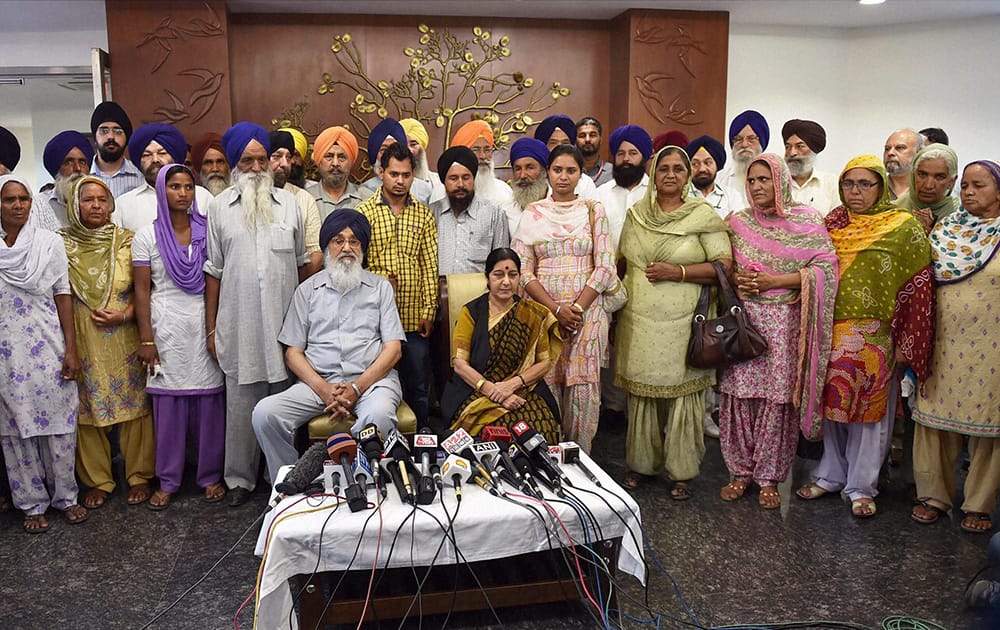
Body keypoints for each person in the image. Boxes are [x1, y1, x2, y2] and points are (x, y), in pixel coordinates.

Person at [797, 154, 934, 518]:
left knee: (870, 415)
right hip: (830, 330)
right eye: (848, 183)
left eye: (864, 184)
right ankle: (829, 475)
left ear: (881, 186)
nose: (855, 191)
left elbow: (918, 288)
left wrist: (906, 341)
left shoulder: (903, 226)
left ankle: (862, 486)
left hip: (877, 335)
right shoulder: (833, 224)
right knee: (832, 407)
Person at [718, 154, 838, 509]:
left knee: (777, 401)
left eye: (764, 180)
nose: (756, 187)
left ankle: (769, 477)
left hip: (786, 324)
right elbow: (723, 266)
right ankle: (739, 472)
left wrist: (777, 280)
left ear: (781, 182)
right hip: (746, 322)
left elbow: (826, 271)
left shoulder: (808, 221)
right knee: (739, 397)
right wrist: (736, 279)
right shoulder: (737, 223)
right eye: (751, 181)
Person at [252, 210, 405, 483]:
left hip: (372, 382)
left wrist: (357, 388)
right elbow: (293, 353)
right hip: (319, 383)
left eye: (354, 241)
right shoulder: (307, 291)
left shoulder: (380, 288)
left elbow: (393, 349)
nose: (346, 247)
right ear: (326, 247)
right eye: (338, 240)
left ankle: (360, 481)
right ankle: (293, 482)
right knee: (266, 413)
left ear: (363, 248)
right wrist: (324, 390)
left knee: (378, 416)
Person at [614, 146, 732, 497]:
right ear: (653, 173)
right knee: (643, 394)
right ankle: (641, 465)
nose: (670, 174)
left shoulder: (702, 214)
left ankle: (682, 471)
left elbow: (724, 268)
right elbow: (620, 265)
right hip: (640, 319)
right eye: (663, 168)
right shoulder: (637, 215)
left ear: (687, 175)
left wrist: (677, 271)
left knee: (684, 398)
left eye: (678, 168)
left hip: (685, 322)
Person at [204, 122, 309, 506]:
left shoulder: (291, 206)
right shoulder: (218, 208)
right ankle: (240, 481)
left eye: (261, 159)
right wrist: (211, 328)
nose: (255, 167)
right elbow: (213, 272)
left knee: (283, 403)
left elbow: (301, 268)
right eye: (247, 160)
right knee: (242, 405)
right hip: (239, 322)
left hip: (284, 326)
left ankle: (280, 476)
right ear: (235, 164)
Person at [910, 160, 1000, 533]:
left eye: (978, 186)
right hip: (944, 339)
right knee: (933, 416)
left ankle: (978, 504)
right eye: (964, 185)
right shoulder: (947, 228)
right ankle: (933, 496)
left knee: (989, 422)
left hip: (992, 346)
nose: (968, 192)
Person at [132, 164, 226, 509]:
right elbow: (142, 291)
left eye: (188, 187)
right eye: (174, 186)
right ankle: (168, 479)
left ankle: (209, 476)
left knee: (208, 402)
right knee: (169, 406)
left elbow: (217, 278)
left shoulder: (209, 230)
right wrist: (146, 339)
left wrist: (215, 328)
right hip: (165, 323)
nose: (182, 193)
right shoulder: (146, 236)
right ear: (161, 190)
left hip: (205, 319)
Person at [512, 144, 616, 452]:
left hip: (588, 313)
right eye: (558, 170)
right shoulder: (534, 213)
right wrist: (556, 309)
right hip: (544, 313)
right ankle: (549, 456)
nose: (563, 177)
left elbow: (606, 267)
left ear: (580, 175)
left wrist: (576, 309)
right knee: (547, 381)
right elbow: (523, 270)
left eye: (571, 170)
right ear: (548, 173)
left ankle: (580, 457)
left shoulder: (593, 210)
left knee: (583, 388)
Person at [62, 175, 155, 509]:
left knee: (134, 407)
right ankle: (98, 480)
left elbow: (147, 289)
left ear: (112, 204)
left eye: (102, 199)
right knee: (86, 410)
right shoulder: (61, 245)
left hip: (125, 337)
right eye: (88, 200)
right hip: (82, 339)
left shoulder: (128, 241)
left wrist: (125, 315)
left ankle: (138, 475)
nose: (96, 206)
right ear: (75, 205)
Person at [0, 174, 87, 532]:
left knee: (59, 421)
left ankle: (67, 497)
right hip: (6, 351)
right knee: (14, 427)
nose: (18, 205)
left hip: (47, 341)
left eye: (23, 198)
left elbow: (62, 293)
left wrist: (71, 347)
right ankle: (31, 504)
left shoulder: (49, 243)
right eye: (9, 200)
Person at [442, 248, 563, 444]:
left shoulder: (533, 314)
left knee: (541, 426)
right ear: (487, 278)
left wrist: (510, 386)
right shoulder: (471, 312)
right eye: (498, 275)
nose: (506, 281)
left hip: (523, 389)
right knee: (492, 432)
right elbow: (460, 365)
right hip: (477, 390)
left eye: (512, 275)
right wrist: (494, 392)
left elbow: (544, 363)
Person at [357, 141, 438, 430]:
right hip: (373, 321)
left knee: (417, 385)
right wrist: (379, 281)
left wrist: (428, 311)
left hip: (412, 319)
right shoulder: (364, 213)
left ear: (413, 176)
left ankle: (419, 449)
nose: (400, 181)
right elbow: (356, 266)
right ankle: (378, 448)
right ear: (381, 173)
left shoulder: (423, 215)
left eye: (406, 175)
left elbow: (429, 266)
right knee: (376, 384)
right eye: (394, 174)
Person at [115, 123, 212, 233]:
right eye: (147, 155)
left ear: (175, 158)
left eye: (162, 153)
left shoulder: (202, 197)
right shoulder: (124, 205)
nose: (155, 160)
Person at [432, 146, 510, 275]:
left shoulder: (494, 214)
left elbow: (502, 264)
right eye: (453, 178)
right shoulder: (431, 213)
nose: (460, 184)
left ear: (473, 178)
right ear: (444, 181)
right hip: (438, 293)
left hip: (480, 293)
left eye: (466, 177)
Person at [269, 129, 322, 275]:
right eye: (277, 156)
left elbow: (315, 251)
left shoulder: (303, 199)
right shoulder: (245, 198)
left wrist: (296, 285)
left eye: (289, 157)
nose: (285, 164)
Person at [596, 124, 653, 251]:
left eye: (633, 153)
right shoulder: (600, 194)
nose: (626, 159)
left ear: (643, 157)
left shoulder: (656, 193)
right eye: (620, 154)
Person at [360, 118, 434, 205]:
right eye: (383, 150)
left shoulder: (424, 190)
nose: (389, 155)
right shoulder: (364, 191)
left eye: (394, 148)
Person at [35, 130, 94, 231]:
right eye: (69, 162)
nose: (78, 168)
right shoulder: (38, 206)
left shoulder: (99, 203)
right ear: (57, 169)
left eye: (82, 162)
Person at [894, 143, 959, 229]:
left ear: (951, 181)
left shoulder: (960, 217)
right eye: (922, 174)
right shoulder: (892, 210)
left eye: (939, 177)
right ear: (913, 175)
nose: (928, 185)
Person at [782, 119, 839, 216]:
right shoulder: (775, 183)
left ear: (813, 150)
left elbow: (837, 222)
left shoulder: (831, 183)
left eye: (799, 146)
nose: (792, 153)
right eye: (788, 147)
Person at [450, 120, 514, 205]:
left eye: (487, 150)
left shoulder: (504, 190)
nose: (483, 156)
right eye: (476, 150)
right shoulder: (445, 192)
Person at [308, 125, 366, 218]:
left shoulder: (367, 198)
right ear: (319, 161)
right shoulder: (305, 199)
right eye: (329, 156)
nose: (335, 163)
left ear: (351, 162)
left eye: (342, 157)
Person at [89, 101, 143, 198]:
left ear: (126, 138)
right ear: (95, 138)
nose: (110, 137)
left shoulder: (141, 175)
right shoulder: (83, 175)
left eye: (117, 131)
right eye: (104, 131)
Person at [722, 110, 769, 208]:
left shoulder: (775, 179)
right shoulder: (720, 180)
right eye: (738, 139)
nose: (744, 145)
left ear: (762, 143)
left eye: (751, 139)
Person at [504, 137, 549, 236]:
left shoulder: (560, 205)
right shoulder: (506, 211)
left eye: (530, 167)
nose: (523, 175)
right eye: (518, 169)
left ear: (544, 171)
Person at [401, 117, 445, 203]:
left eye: (413, 144)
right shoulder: (386, 183)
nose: (408, 150)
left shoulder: (438, 182)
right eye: (403, 145)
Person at [883, 128, 925, 200]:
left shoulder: (928, 189)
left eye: (899, 148)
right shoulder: (874, 188)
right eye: (887, 148)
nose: (890, 153)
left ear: (919, 152)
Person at [576, 116, 613, 187]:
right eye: (582, 135)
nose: (587, 139)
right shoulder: (569, 171)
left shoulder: (613, 172)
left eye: (592, 135)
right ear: (575, 140)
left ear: (600, 139)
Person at [190, 132, 231, 196]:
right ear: (200, 168)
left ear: (228, 165)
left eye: (220, 162)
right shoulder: (194, 200)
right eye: (208, 163)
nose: (215, 169)